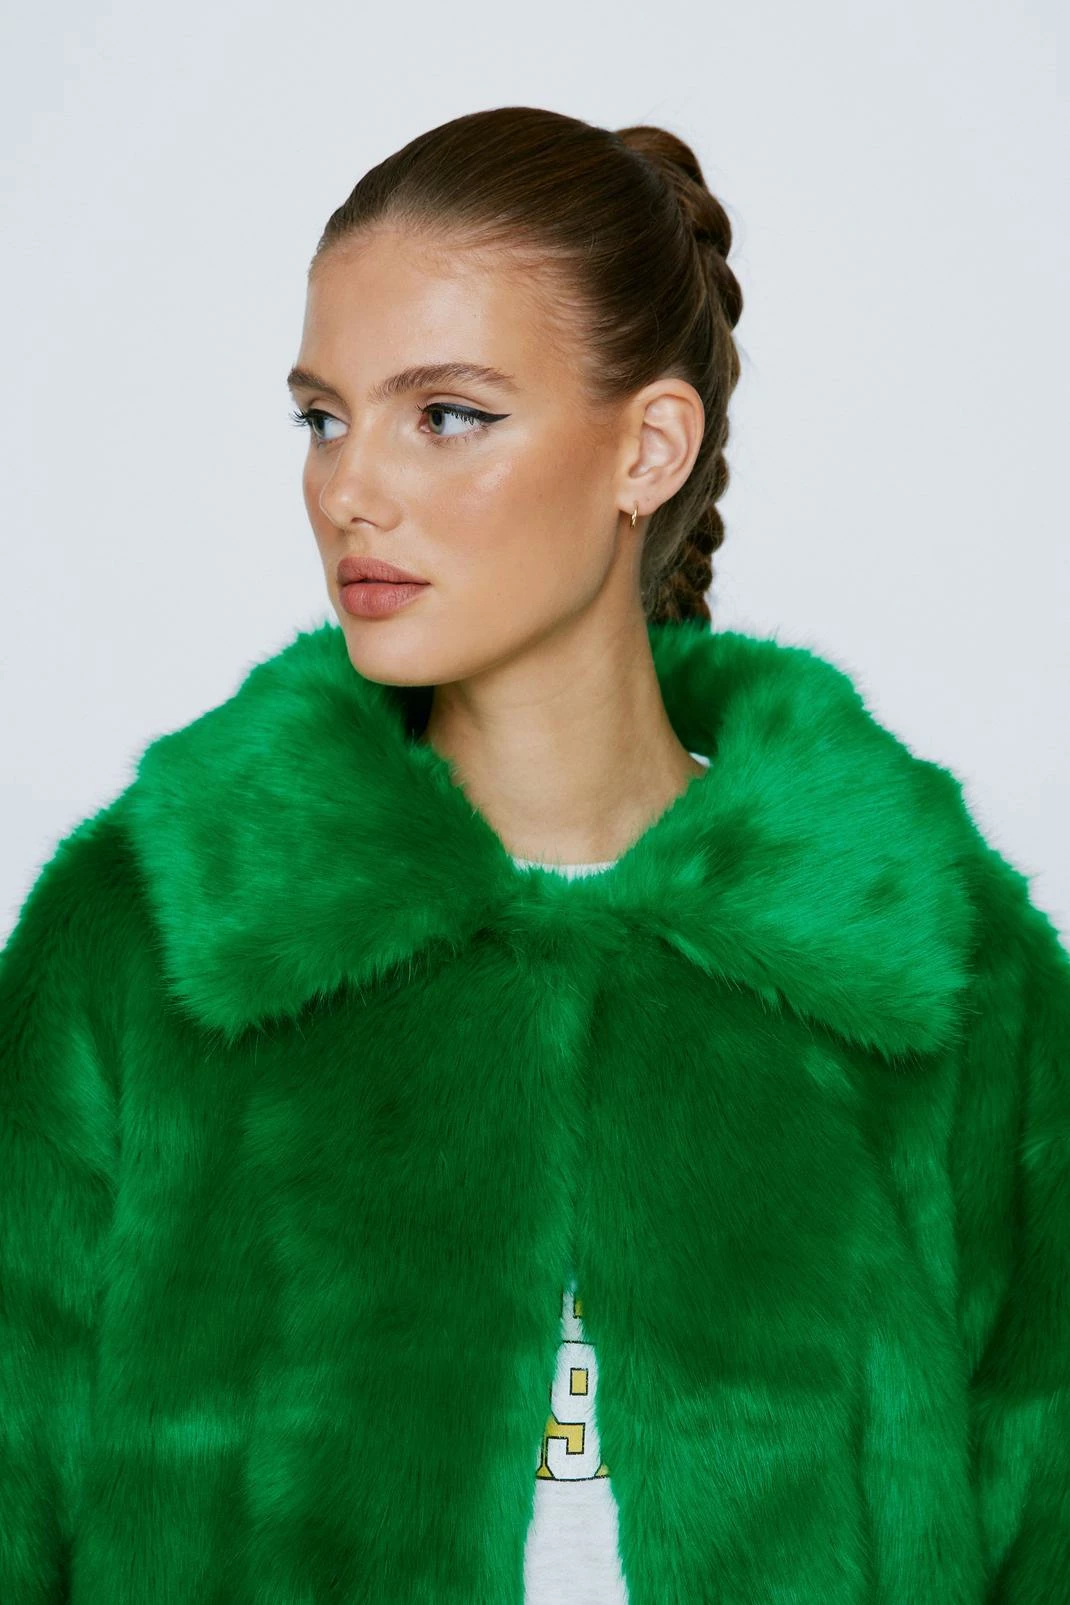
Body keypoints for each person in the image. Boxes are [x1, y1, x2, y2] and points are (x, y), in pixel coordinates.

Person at [1, 104, 1067, 1605]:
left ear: (648, 448)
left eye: (445, 414)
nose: (348, 488)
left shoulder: (929, 959)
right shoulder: (157, 934)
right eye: (323, 417)